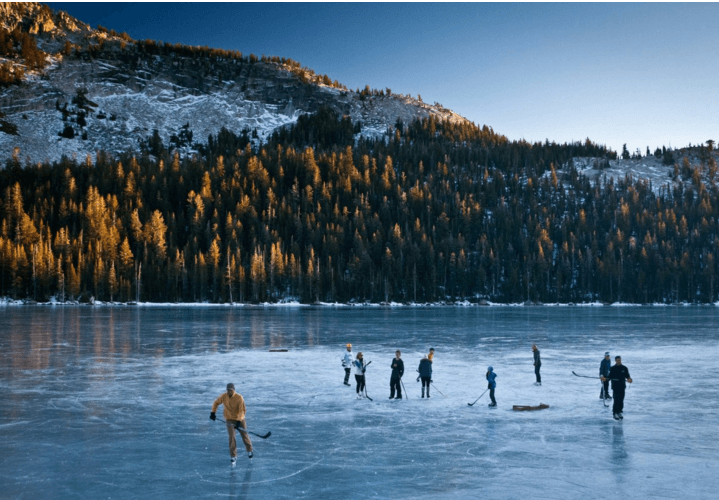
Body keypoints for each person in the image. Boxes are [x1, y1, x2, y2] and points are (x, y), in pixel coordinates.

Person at [210, 383, 253, 463]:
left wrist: (239, 421)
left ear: (234, 390)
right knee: (231, 437)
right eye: (228, 390)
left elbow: (242, 411)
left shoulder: (239, 398)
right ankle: (233, 456)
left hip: (239, 419)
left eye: (231, 390)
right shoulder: (223, 396)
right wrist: (213, 412)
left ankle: (249, 450)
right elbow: (216, 402)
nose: (229, 391)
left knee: (244, 435)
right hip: (229, 419)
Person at [601, 356, 632, 420]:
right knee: (616, 400)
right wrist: (605, 379)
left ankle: (619, 411)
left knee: (621, 400)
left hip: (622, 386)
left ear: (621, 360)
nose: (618, 361)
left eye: (619, 360)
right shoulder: (612, 368)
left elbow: (628, 376)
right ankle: (615, 413)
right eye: (617, 360)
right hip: (615, 387)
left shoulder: (624, 368)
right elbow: (609, 378)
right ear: (615, 360)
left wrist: (629, 379)